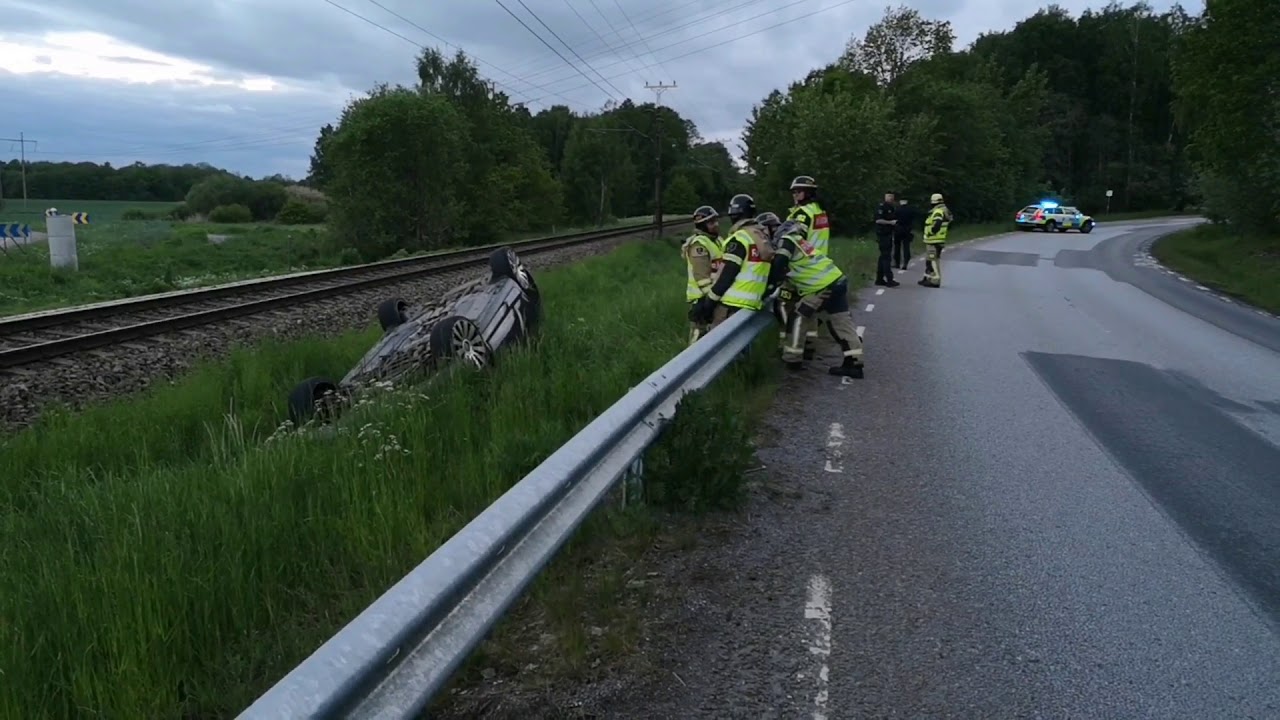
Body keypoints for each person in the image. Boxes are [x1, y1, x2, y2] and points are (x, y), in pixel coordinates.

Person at [766, 218, 865, 378]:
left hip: (822, 287)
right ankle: (854, 363)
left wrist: (770, 286)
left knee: (798, 317)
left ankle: (792, 359)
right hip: (837, 280)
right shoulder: (799, 240)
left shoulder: (786, 241)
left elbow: (780, 263)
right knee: (841, 322)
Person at [689, 193, 772, 329]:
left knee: (715, 345)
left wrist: (709, 303)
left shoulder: (739, 238)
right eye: (711, 222)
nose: (716, 225)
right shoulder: (762, 238)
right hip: (753, 301)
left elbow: (727, 274)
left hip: (731, 303)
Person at [757, 211, 817, 361]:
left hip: (796, 282)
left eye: (764, 230)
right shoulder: (796, 237)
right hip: (808, 281)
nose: (764, 234)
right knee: (804, 314)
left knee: (785, 309)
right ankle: (807, 345)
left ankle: (790, 350)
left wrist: (770, 287)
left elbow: (780, 265)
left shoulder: (782, 240)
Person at [786, 175, 831, 347]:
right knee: (811, 310)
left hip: (804, 266)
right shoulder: (819, 211)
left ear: (807, 193)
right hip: (820, 265)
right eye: (793, 192)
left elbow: (794, 241)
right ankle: (810, 343)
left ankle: (794, 350)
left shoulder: (803, 214)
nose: (794, 195)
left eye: (798, 192)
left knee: (797, 310)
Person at [682, 205, 723, 344]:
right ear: (702, 225)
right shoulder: (699, 245)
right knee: (698, 340)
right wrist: (712, 300)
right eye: (711, 222)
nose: (716, 225)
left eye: (716, 221)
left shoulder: (718, 241)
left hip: (714, 297)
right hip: (701, 300)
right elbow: (702, 278)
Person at [919, 192, 953, 288]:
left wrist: (932, 231)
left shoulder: (938, 211)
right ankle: (927, 278)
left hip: (934, 240)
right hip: (936, 240)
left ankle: (935, 280)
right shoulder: (944, 210)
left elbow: (937, 223)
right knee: (929, 260)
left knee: (933, 260)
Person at [873, 191, 900, 287]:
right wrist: (891, 222)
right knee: (886, 257)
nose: (891, 198)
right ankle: (889, 279)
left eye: (892, 196)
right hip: (883, 234)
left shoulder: (892, 207)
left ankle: (879, 279)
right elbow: (878, 220)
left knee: (883, 257)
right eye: (889, 196)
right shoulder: (882, 207)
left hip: (888, 234)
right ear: (885, 197)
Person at [893, 197, 915, 270]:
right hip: (907, 230)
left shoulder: (897, 210)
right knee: (906, 247)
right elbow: (912, 220)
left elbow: (894, 219)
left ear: (900, 202)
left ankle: (897, 263)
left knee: (897, 247)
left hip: (898, 230)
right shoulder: (910, 210)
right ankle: (905, 263)